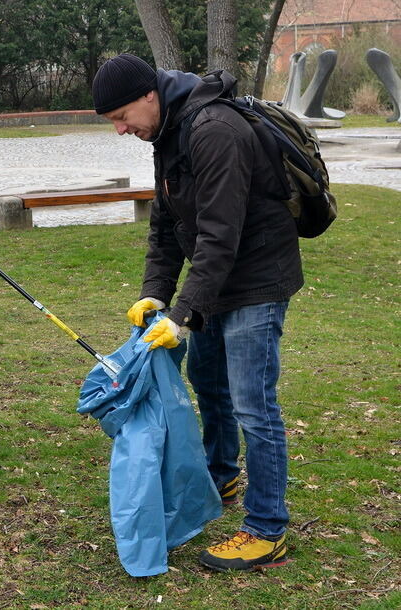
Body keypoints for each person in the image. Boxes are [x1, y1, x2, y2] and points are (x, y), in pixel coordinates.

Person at [91, 54, 302, 571]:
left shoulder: (214, 129)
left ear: (148, 95)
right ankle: (220, 473)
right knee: (209, 385)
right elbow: (166, 224)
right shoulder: (166, 130)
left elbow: (219, 234)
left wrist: (181, 315)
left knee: (254, 405)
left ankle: (267, 528)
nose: (121, 130)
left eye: (122, 117)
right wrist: (156, 294)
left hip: (255, 278)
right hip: (216, 281)